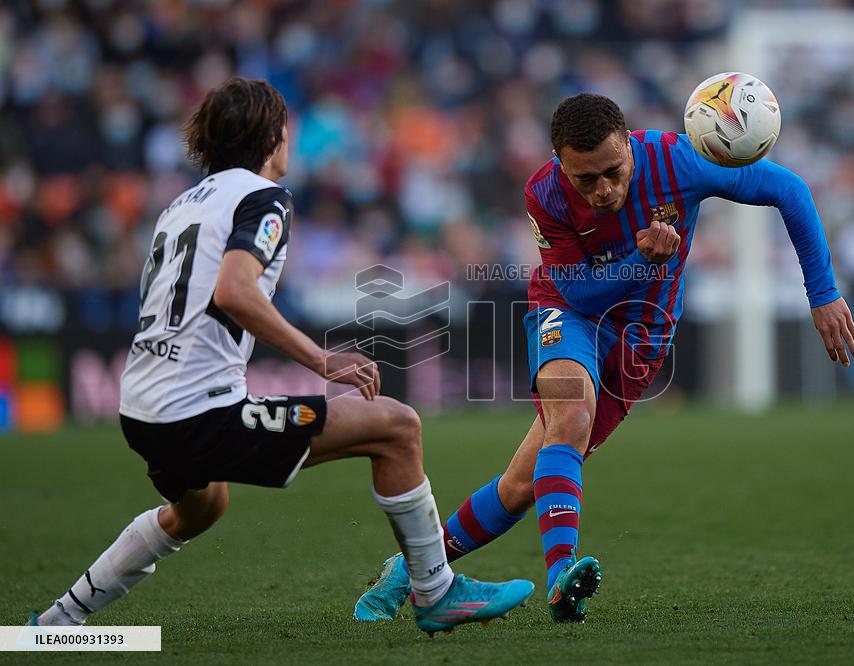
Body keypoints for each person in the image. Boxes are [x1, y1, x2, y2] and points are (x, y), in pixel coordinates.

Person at [26, 77, 532, 636]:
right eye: (286, 130)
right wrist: (321, 360)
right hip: (196, 411)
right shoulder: (264, 198)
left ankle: (57, 623)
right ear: (271, 138)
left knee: (201, 508)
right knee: (397, 426)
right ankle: (436, 592)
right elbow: (234, 291)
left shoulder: (180, 206)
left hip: (141, 406)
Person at [354, 92, 854, 624]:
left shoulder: (679, 161)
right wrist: (643, 259)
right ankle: (561, 577)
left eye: (613, 172)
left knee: (521, 486)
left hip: (643, 334)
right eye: (586, 179)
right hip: (569, 311)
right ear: (560, 164)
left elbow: (790, 190)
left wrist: (823, 293)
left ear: (628, 146)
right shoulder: (544, 192)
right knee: (571, 415)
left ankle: (408, 571)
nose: (604, 190)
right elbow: (582, 294)